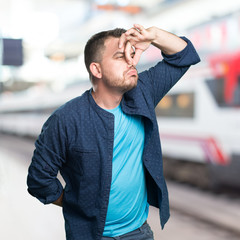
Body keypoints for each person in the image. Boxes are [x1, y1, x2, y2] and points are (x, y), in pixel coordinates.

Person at [27, 24, 200, 240]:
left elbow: (185, 55)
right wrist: (75, 203)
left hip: (139, 232)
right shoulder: (66, 119)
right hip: (90, 235)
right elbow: (39, 179)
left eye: (132, 55)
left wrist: (153, 36)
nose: (131, 62)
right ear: (96, 70)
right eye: (121, 57)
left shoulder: (142, 93)